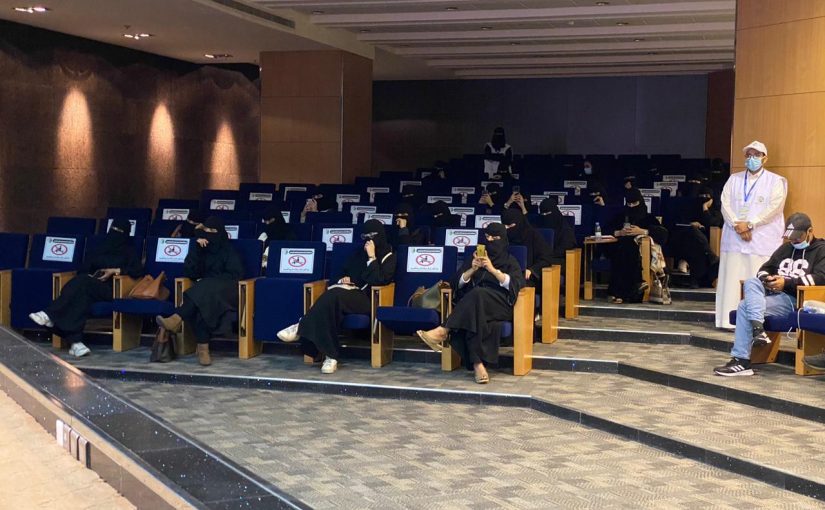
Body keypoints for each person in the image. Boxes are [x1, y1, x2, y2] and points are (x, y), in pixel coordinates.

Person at [276, 220, 397, 374]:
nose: (368, 240)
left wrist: (372, 258)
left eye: (372, 236)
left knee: (332, 296)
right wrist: (343, 279)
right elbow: (341, 274)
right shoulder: (357, 254)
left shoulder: (389, 257)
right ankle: (330, 357)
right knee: (331, 302)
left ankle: (302, 327)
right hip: (346, 293)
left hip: (369, 299)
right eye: (365, 236)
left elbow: (379, 280)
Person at [715, 213, 825, 376]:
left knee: (744, 306)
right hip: (772, 294)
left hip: (794, 298)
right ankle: (758, 331)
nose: (794, 241)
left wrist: (786, 283)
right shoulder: (786, 248)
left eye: (797, 237)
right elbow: (764, 269)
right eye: (791, 237)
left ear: (810, 231)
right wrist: (768, 279)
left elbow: (820, 278)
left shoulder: (821, 250)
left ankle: (742, 359)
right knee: (752, 282)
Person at [416, 223, 525, 384]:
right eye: (487, 237)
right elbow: (456, 283)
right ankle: (478, 365)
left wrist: (492, 269)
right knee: (476, 309)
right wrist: (472, 269)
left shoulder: (510, 260)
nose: (490, 241)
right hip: (476, 305)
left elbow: (516, 285)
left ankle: (444, 329)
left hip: (500, 304)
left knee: (477, 295)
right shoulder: (475, 258)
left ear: (503, 239)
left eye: (494, 238)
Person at [29, 218, 143, 357]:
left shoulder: (129, 250)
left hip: (113, 288)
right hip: (90, 287)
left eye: (119, 231)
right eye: (114, 230)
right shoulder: (100, 247)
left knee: (82, 283)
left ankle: (50, 314)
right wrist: (92, 275)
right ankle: (76, 343)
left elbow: (138, 271)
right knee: (82, 296)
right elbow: (83, 269)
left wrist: (115, 271)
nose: (115, 234)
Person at [715, 141, 787, 329]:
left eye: (756, 155)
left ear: (765, 158)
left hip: (761, 239)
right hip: (735, 238)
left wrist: (750, 224)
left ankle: (757, 321)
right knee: (732, 280)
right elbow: (725, 204)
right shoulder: (734, 179)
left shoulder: (776, 181)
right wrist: (737, 225)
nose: (751, 158)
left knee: (756, 279)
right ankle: (728, 320)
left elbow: (774, 209)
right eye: (748, 155)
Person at [156, 216, 244, 366]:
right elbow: (190, 272)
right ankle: (203, 349)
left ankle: (177, 319)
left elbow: (236, 275)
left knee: (204, 288)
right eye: (207, 230)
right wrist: (197, 250)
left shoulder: (229, 250)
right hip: (205, 292)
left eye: (213, 231)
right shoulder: (201, 248)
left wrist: (213, 281)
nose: (209, 234)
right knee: (203, 301)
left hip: (227, 291)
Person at [606, 187, 665, 303]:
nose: (632, 206)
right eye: (629, 204)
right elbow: (605, 230)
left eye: (635, 203)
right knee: (623, 251)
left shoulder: (648, 218)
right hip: (619, 249)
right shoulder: (620, 216)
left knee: (629, 251)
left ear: (640, 202)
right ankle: (632, 289)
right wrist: (619, 232)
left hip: (641, 251)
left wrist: (643, 231)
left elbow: (663, 234)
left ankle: (620, 292)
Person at [669, 186, 723, 287]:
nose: (704, 198)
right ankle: (710, 256)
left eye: (707, 196)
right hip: (691, 241)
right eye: (701, 196)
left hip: (707, 240)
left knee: (698, 247)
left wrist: (705, 208)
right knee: (693, 232)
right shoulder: (691, 209)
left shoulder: (716, 212)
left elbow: (712, 223)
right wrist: (691, 224)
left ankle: (697, 277)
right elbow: (681, 223)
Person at [502, 209, 553, 290]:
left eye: (511, 226)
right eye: (505, 226)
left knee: (514, 285)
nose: (508, 229)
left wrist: (532, 270)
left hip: (527, 276)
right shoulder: (502, 236)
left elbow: (546, 258)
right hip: (505, 274)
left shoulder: (533, 236)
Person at [536, 197, 577, 267]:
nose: (545, 216)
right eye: (543, 214)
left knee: (544, 262)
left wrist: (549, 255)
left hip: (558, 259)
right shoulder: (539, 225)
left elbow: (566, 246)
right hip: (542, 257)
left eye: (548, 213)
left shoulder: (564, 228)